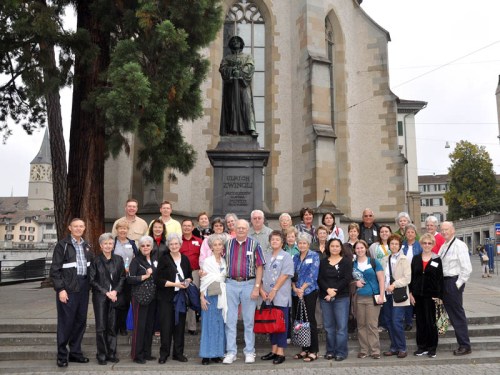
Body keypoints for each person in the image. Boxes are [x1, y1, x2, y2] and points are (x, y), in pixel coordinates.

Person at [50, 218, 93, 368]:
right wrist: (60, 289)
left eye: (81, 226)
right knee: (66, 322)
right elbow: (55, 271)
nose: (79, 228)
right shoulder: (62, 245)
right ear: (70, 228)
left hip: (83, 287)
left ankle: (75, 353)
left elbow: (91, 267)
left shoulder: (87, 245)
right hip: (68, 288)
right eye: (76, 226)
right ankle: (62, 355)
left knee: (80, 321)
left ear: (84, 228)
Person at [222, 219, 265, 364]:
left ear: (248, 230)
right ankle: (231, 352)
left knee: (248, 321)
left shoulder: (254, 244)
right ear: (234, 229)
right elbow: (219, 262)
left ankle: (249, 351)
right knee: (230, 320)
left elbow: (260, 266)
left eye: (243, 228)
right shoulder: (227, 244)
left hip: (249, 284)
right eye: (238, 228)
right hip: (231, 284)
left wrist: (257, 287)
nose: (240, 230)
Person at [89, 233, 126, 365]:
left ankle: (111, 353)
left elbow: (122, 277)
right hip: (100, 297)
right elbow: (92, 280)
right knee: (101, 327)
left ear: (113, 245)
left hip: (115, 296)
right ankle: (102, 354)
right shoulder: (96, 260)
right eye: (105, 243)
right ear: (100, 246)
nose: (108, 246)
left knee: (112, 326)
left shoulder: (119, 259)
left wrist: (115, 291)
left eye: (110, 243)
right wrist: (106, 292)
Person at [156, 233, 193, 363]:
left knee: (180, 326)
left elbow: (189, 276)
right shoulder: (164, 259)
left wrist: (187, 281)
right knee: (166, 327)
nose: (174, 246)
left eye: (176, 244)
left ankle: (178, 353)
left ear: (180, 245)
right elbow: (158, 280)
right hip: (166, 297)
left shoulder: (185, 259)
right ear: (168, 246)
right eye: (171, 244)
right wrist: (176, 284)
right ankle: (164, 354)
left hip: (181, 298)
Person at [259, 231, 294, 365]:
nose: (274, 241)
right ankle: (273, 350)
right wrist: (262, 290)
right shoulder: (266, 256)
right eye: (272, 239)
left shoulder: (286, 256)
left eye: (277, 240)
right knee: (271, 325)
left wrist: (274, 290)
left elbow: (285, 274)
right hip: (267, 296)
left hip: (280, 295)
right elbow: (260, 274)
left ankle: (281, 352)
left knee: (281, 325)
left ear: (282, 242)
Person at [438, 221, 472, 356]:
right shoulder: (444, 246)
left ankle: (465, 345)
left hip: (453, 282)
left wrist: (457, 285)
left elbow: (467, 269)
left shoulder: (459, 245)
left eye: (446, 229)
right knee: (452, 315)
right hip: (444, 282)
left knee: (457, 315)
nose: (444, 232)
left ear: (453, 230)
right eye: (442, 230)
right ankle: (463, 344)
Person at [317, 238, 352, 361]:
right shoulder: (323, 262)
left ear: (341, 248)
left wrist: (334, 292)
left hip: (341, 297)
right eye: (332, 246)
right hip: (325, 297)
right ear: (328, 247)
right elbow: (320, 278)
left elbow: (346, 279)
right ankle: (330, 350)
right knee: (328, 327)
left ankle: (341, 352)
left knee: (341, 327)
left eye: (337, 246)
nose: (335, 248)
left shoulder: (347, 262)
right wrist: (328, 290)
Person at [409, 233, 443, 358]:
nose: (427, 245)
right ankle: (421, 347)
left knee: (431, 322)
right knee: (420, 322)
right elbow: (412, 277)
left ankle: (432, 347)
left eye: (429, 243)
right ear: (421, 244)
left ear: (433, 244)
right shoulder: (416, 258)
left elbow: (440, 279)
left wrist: (439, 296)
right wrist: (411, 293)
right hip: (418, 295)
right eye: (424, 243)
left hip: (431, 296)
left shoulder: (436, 259)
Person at [219, 35, 258, 138]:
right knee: (231, 107)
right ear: (230, 44)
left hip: (243, 85)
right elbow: (222, 69)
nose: (235, 42)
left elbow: (250, 67)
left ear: (241, 43)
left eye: (238, 40)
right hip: (231, 87)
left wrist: (240, 72)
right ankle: (231, 130)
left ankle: (250, 129)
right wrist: (231, 71)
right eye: (233, 41)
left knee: (246, 104)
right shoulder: (227, 58)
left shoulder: (247, 56)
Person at [352, 240, 385, 359]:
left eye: (362, 248)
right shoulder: (353, 264)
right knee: (361, 325)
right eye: (357, 248)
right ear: (354, 250)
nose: (359, 250)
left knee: (372, 325)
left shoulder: (374, 262)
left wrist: (381, 295)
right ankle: (364, 349)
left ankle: (375, 350)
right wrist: (355, 283)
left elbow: (381, 279)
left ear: (366, 249)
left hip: (373, 297)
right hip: (359, 297)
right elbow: (349, 280)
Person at [128, 236, 157, 364]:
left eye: (148, 245)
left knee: (149, 326)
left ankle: (146, 352)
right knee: (139, 326)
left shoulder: (155, 259)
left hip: (153, 297)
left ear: (151, 247)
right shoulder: (136, 261)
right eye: (143, 245)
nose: (145, 247)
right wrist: (144, 276)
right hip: (139, 297)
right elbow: (130, 279)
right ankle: (137, 355)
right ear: (139, 247)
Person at [199, 234, 228, 365]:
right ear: (211, 247)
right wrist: (201, 297)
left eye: (219, 244)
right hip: (209, 296)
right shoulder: (207, 261)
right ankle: (206, 355)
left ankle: (217, 353)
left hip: (222, 296)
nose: (217, 247)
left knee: (219, 325)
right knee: (208, 325)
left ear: (223, 247)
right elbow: (204, 280)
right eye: (214, 245)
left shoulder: (224, 261)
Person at [381, 234, 411, 359]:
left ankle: (402, 348)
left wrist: (394, 285)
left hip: (398, 294)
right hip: (387, 295)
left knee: (396, 321)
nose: (394, 246)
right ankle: (394, 347)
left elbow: (407, 278)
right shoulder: (384, 259)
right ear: (389, 245)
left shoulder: (404, 260)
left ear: (400, 246)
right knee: (388, 322)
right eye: (392, 243)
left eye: (396, 244)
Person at [291, 232, 320, 363]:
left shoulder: (314, 256)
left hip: (309, 292)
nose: (302, 245)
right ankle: (304, 348)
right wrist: (295, 288)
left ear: (308, 244)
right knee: (300, 321)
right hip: (296, 293)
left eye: (304, 243)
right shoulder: (295, 257)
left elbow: (313, 275)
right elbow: (291, 274)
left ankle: (314, 350)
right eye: (300, 243)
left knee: (310, 320)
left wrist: (302, 288)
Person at [112, 219, 138, 336]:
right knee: (115, 301)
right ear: (117, 230)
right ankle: (114, 326)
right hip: (115, 277)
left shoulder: (132, 243)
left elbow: (137, 258)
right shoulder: (112, 242)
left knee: (125, 302)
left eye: (125, 228)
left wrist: (131, 269)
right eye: (120, 228)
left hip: (128, 277)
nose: (123, 230)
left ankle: (122, 326)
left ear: (128, 230)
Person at [179, 219, 202, 335]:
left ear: (193, 228)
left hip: (195, 273)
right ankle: (179, 325)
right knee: (180, 298)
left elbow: (202, 257)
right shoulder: (178, 241)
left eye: (189, 226)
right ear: (182, 227)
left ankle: (192, 327)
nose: (187, 228)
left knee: (193, 298)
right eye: (185, 226)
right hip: (180, 273)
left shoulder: (199, 241)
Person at [401, 223, 422, 330]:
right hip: (404, 275)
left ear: (415, 234)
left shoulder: (420, 245)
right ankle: (408, 322)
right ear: (405, 234)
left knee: (416, 297)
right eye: (408, 232)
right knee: (407, 299)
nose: (410, 234)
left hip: (416, 275)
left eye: (412, 232)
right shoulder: (402, 245)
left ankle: (418, 319)